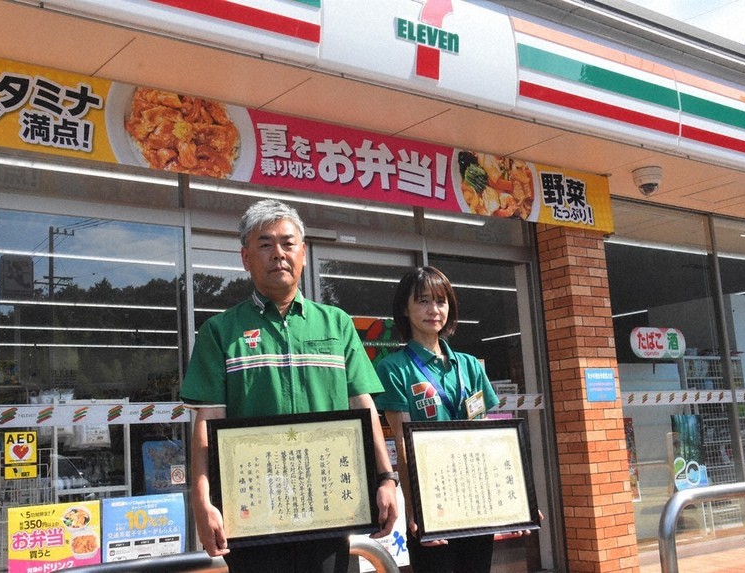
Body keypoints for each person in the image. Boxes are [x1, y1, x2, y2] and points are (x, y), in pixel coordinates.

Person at [180, 199, 398, 573]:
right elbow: (208, 421)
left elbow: (363, 407)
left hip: (329, 502)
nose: (278, 254)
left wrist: (387, 478)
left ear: (304, 253)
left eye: (287, 243)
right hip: (250, 512)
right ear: (246, 258)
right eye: (265, 244)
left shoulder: (337, 324)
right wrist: (201, 500)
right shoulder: (220, 332)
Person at [374, 266, 505, 573]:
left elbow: (488, 437)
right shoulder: (394, 369)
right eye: (422, 301)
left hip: (476, 498)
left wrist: (512, 501)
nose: (433, 309)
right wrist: (415, 508)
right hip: (433, 500)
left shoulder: (470, 366)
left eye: (440, 301)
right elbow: (403, 444)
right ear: (405, 310)